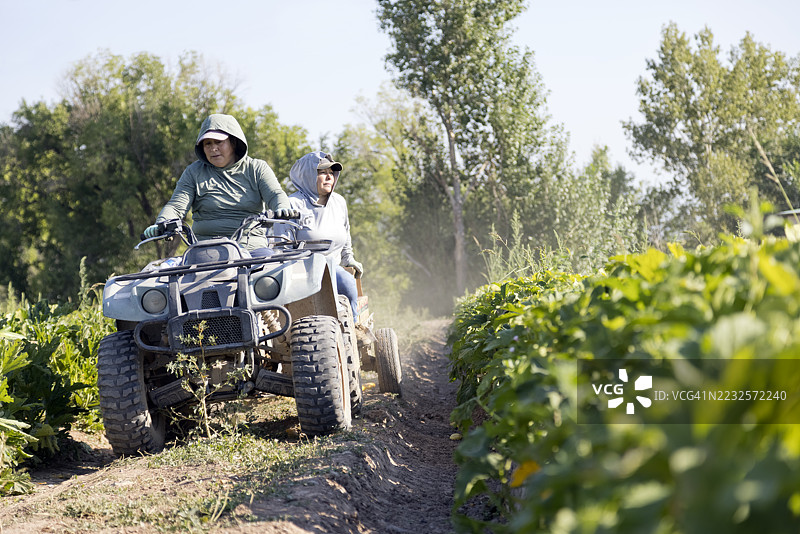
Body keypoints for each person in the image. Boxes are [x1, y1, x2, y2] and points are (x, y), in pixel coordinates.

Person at [142, 113, 293, 253]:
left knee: (269, 277)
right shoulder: (194, 172)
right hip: (205, 250)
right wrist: (161, 223)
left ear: (233, 142)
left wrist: (282, 207)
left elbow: (275, 194)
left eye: (219, 142)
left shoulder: (256, 168)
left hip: (251, 248)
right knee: (177, 280)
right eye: (207, 143)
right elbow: (176, 206)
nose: (213, 148)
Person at [277, 151, 363, 318]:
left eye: (332, 173)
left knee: (347, 283)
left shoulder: (339, 202)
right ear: (307, 175)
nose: (329, 177)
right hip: (301, 270)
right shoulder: (291, 204)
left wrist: (348, 258)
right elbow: (282, 246)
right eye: (322, 172)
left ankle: (353, 328)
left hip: (333, 267)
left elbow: (345, 234)